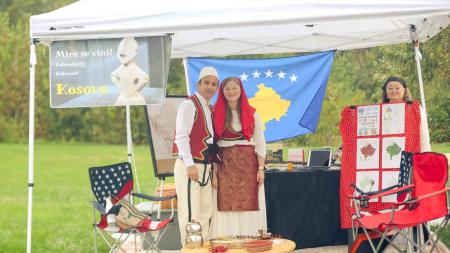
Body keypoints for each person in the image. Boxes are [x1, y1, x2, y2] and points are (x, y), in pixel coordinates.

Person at [210, 77, 267, 238]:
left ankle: (250, 241)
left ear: (241, 90)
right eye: (227, 88)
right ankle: (226, 242)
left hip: (248, 165)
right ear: (222, 92)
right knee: (224, 204)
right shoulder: (215, 112)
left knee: (249, 202)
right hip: (224, 165)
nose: (231, 91)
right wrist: (214, 174)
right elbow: (213, 146)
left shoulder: (252, 113)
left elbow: (260, 143)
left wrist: (261, 169)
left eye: (234, 88)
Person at [173, 66, 219, 245]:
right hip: (191, 165)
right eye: (206, 83)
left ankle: (203, 247)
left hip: (206, 166)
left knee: (206, 212)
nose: (210, 87)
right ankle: (190, 248)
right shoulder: (189, 104)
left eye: (214, 84)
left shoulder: (210, 108)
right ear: (198, 84)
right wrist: (189, 164)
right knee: (191, 212)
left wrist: (212, 169)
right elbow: (181, 135)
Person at [381, 76, 431, 152]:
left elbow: (423, 133)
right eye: (390, 88)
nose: (394, 91)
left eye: (397, 88)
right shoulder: (380, 111)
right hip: (387, 154)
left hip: (410, 154)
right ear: (386, 91)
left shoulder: (415, 108)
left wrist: (425, 153)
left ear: (404, 90)